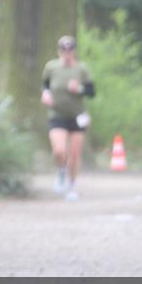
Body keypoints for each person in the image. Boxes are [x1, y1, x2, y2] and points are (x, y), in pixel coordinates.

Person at [41, 35, 95, 201]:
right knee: (59, 150)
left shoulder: (81, 69)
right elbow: (45, 84)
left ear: (74, 51)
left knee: (74, 154)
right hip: (57, 115)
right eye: (63, 49)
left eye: (70, 49)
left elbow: (91, 92)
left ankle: (72, 187)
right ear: (59, 51)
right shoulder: (51, 67)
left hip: (77, 117)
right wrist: (45, 94)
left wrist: (78, 88)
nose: (67, 52)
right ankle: (61, 171)